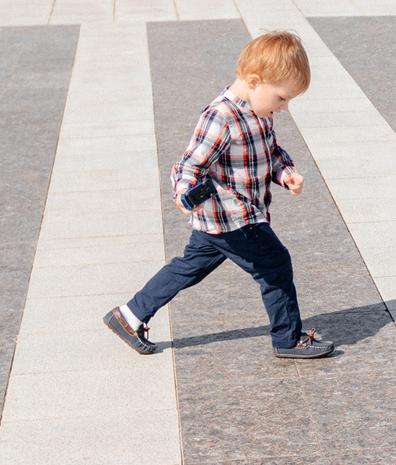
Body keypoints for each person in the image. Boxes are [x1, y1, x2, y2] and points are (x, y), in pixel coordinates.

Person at [104, 30, 333, 360]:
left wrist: (285, 173)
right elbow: (189, 164)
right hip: (233, 217)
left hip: (222, 219)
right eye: (282, 98)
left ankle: (129, 315)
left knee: (190, 267)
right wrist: (184, 192)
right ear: (254, 81)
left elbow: (269, 151)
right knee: (275, 265)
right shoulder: (220, 117)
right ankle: (287, 339)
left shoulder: (259, 112)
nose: (284, 107)